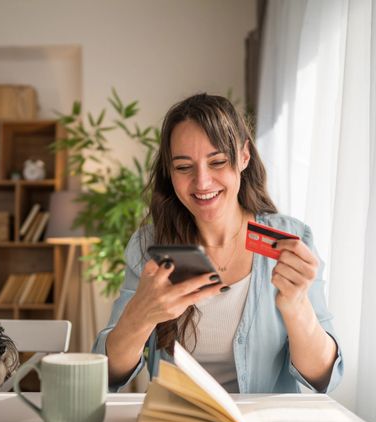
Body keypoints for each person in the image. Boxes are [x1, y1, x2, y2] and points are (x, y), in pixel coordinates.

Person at [93, 93, 342, 394]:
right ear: (169, 173)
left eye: (218, 162)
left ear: (244, 157)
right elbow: (107, 373)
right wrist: (138, 316)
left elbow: (323, 378)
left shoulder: (292, 241)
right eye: (184, 167)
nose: (202, 182)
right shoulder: (149, 246)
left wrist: (297, 306)